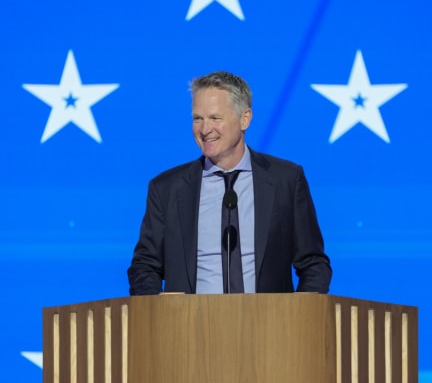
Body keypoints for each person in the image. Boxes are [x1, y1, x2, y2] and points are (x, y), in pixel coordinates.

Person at [127, 71, 331, 295]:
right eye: (198, 118)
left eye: (215, 118)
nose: (205, 130)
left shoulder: (286, 180)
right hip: (188, 327)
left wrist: (300, 316)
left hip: (269, 325)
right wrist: (157, 316)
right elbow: (145, 266)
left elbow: (313, 263)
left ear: (245, 119)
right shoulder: (166, 188)